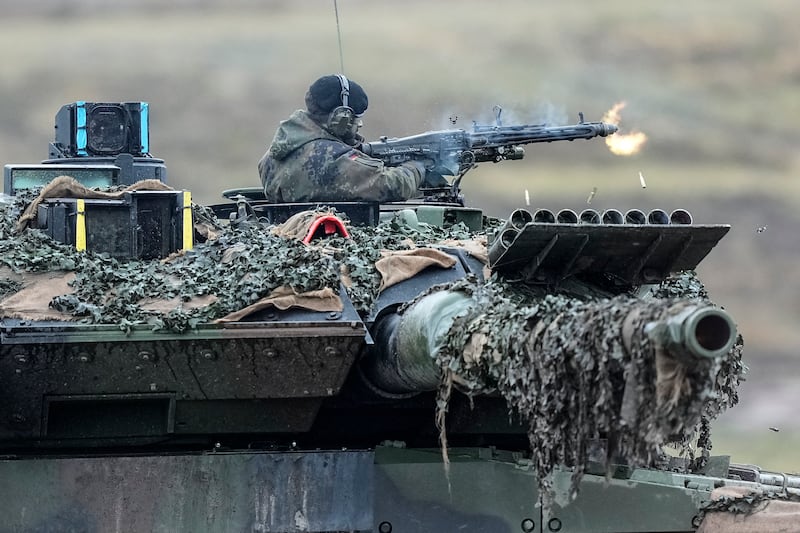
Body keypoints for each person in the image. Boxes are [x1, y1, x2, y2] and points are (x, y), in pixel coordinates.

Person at [258, 74, 434, 203]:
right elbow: (392, 185)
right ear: (341, 118)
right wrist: (417, 167)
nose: (360, 125)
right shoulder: (330, 158)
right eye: (356, 118)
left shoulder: (272, 155)